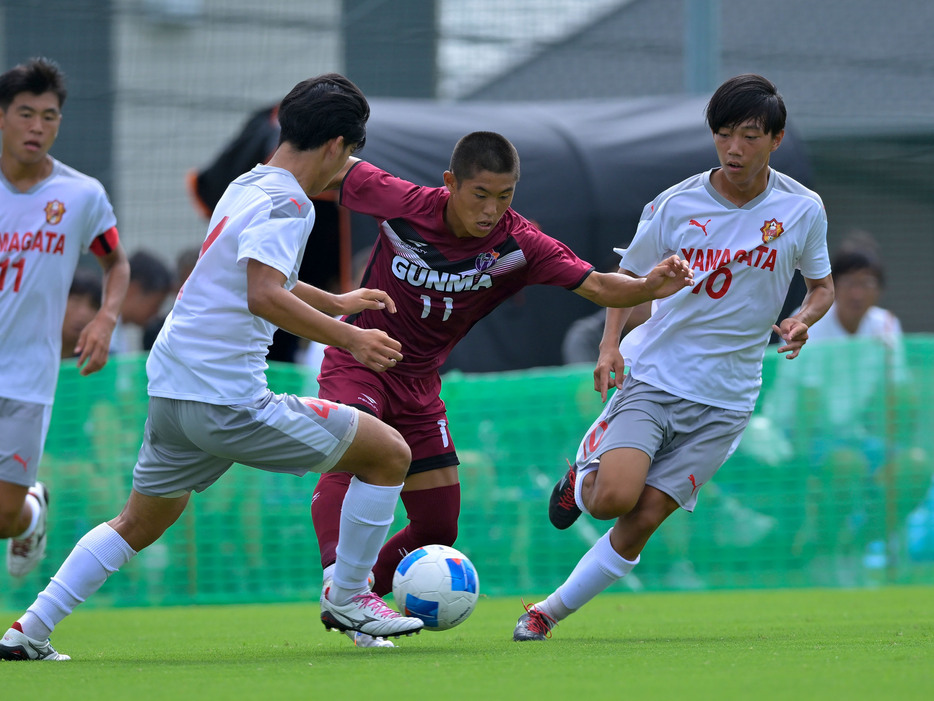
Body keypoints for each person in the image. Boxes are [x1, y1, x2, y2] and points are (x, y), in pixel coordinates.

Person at [0, 73, 425, 661]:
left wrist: (334, 302)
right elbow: (263, 295)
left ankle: (29, 629)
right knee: (390, 454)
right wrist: (349, 340)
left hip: (173, 387)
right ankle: (350, 596)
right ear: (335, 146)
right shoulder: (291, 203)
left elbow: (251, 272)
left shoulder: (248, 185)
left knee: (136, 523)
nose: (345, 168)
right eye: (350, 155)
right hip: (226, 400)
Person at [309, 129, 694, 647]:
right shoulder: (401, 200)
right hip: (360, 357)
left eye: (505, 195)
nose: (492, 209)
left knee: (438, 527)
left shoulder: (519, 245)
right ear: (451, 183)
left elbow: (601, 286)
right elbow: (321, 167)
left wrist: (648, 286)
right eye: (480, 194)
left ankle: (357, 602)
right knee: (359, 445)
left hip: (420, 384)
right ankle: (341, 579)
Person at [513, 74, 835, 641]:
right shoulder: (674, 204)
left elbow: (822, 287)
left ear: (776, 140)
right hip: (657, 377)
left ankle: (545, 614)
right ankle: (584, 471)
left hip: (728, 401)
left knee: (644, 520)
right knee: (612, 499)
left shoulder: (802, 209)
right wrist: (610, 344)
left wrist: (801, 321)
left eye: (750, 136)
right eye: (724, 134)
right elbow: (627, 280)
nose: (734, 148)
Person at [0, 57, 131, 580]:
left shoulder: (81, 195)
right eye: (26, 113)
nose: (37, 127)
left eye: (49, 116)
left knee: (5, 517)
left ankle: (31, 512)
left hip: (30, 377)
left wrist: (105, 318)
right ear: (3, 116)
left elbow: (115, 262)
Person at [110, 249, 174, 354]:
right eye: (156, 304)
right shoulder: (105, 328)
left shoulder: (118, 329)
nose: (156, 313)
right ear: (134, 289)